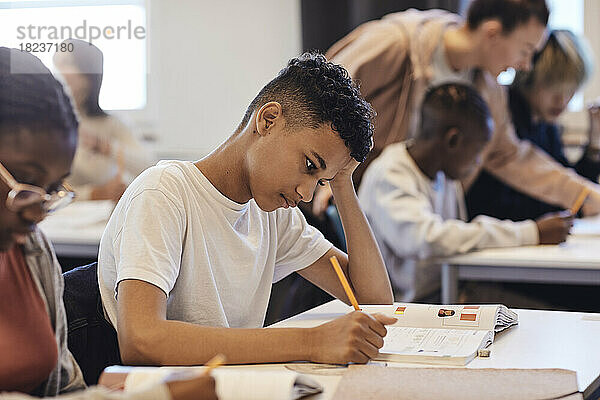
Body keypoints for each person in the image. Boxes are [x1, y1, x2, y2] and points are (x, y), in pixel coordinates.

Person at [97, 52, 396, 367]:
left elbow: (373, 300)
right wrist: (311, 342)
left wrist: (342, 183)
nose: (307, 194)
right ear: (268, 120)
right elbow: (141, 341)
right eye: (309, 165)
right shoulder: (165, 193)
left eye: (321, 180)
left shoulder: (273, 214)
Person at [0, 47, 217, 400]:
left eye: (53, 190)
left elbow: (64, 387)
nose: (38, 212)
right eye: (25, 182)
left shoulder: (32, 251)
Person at [312, 0, 600, 218]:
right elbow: (313, 96)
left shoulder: (487, 86)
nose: (525, 65)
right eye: (526, 50)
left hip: (415, 223)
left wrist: (585, 195)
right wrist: (328, 174)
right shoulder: (396, 43)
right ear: (492, 32)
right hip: (346, 206)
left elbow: (509, 155)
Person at [358, 83, 572, 302]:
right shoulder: (390, 173)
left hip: (448, 293)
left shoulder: (443, 175)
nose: (479, 162)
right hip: (409, 307)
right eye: (478, 151)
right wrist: (530, 233)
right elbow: (428, 240)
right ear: (453, 140)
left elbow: (457, 239)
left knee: (540, 313)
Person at [467, 29, 600, 221]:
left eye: (570, 90)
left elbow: (570, 182)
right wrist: (577, 201)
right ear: (529, 75)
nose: (562, 100)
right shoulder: (502, 114)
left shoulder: (546, 126)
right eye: (553, 87)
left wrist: (595, 139)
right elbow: (502, 202)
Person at [53, 39, 151, 202]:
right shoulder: (48, 125)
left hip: (103, 219)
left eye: (66, 63)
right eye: (56, 63)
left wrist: (105, 147)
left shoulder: (112, 124)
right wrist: (94, 194)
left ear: (88, 72)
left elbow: (149, 166)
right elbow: (43, 193)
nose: (57, 70)